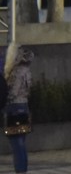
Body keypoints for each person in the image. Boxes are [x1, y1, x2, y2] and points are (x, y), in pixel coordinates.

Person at [4, 45, 33, 174]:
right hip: (24, 107)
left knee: (16, 143)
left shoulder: (16, 72)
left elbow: (13, 92)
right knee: (21, 142)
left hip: (14, 109)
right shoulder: (27, 71)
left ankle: (20, 170)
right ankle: (23, 169)